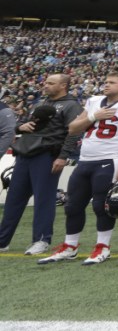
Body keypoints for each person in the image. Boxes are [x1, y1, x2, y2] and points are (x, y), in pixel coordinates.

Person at [37, 73, 118, 266]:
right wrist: (95, 116)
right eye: (105, 81)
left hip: (111, 159)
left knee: (101, 206)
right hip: (86, 159)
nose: (106, 85)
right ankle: (70, 246)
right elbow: (72, 128)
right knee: (72, 205)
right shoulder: (94, 101)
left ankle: (102, 247)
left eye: (112, 82)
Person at [0, 74, 84, 255]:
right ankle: (2, 241)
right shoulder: (39, 104)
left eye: (50, 83)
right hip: (25, 153)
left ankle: (41, 239)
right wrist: (19, 127)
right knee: (13, 199)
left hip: (47, 155)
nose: (45, 86)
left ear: (63, 86)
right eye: (45, 82)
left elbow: (74, 133)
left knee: (44, 200)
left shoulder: (71, 105)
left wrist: (63, 157)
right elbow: (21, 124)